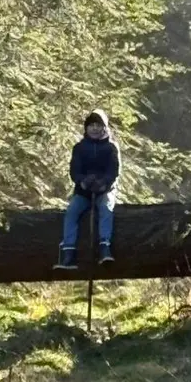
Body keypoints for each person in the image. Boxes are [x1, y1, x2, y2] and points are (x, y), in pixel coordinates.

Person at [54, 109, 121, 271]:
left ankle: (105, 248)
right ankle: (68, 254)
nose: (95, 128)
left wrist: (103, 183)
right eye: (91, 125)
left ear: (104, 128)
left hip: (104, 191)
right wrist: (82, 181)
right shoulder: (79, 148)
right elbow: (74, 170)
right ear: (86, 128)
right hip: (83, 191)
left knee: (106, 208)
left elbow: (113, 171)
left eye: (98, 125)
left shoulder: (110, 148)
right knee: (71, 212)